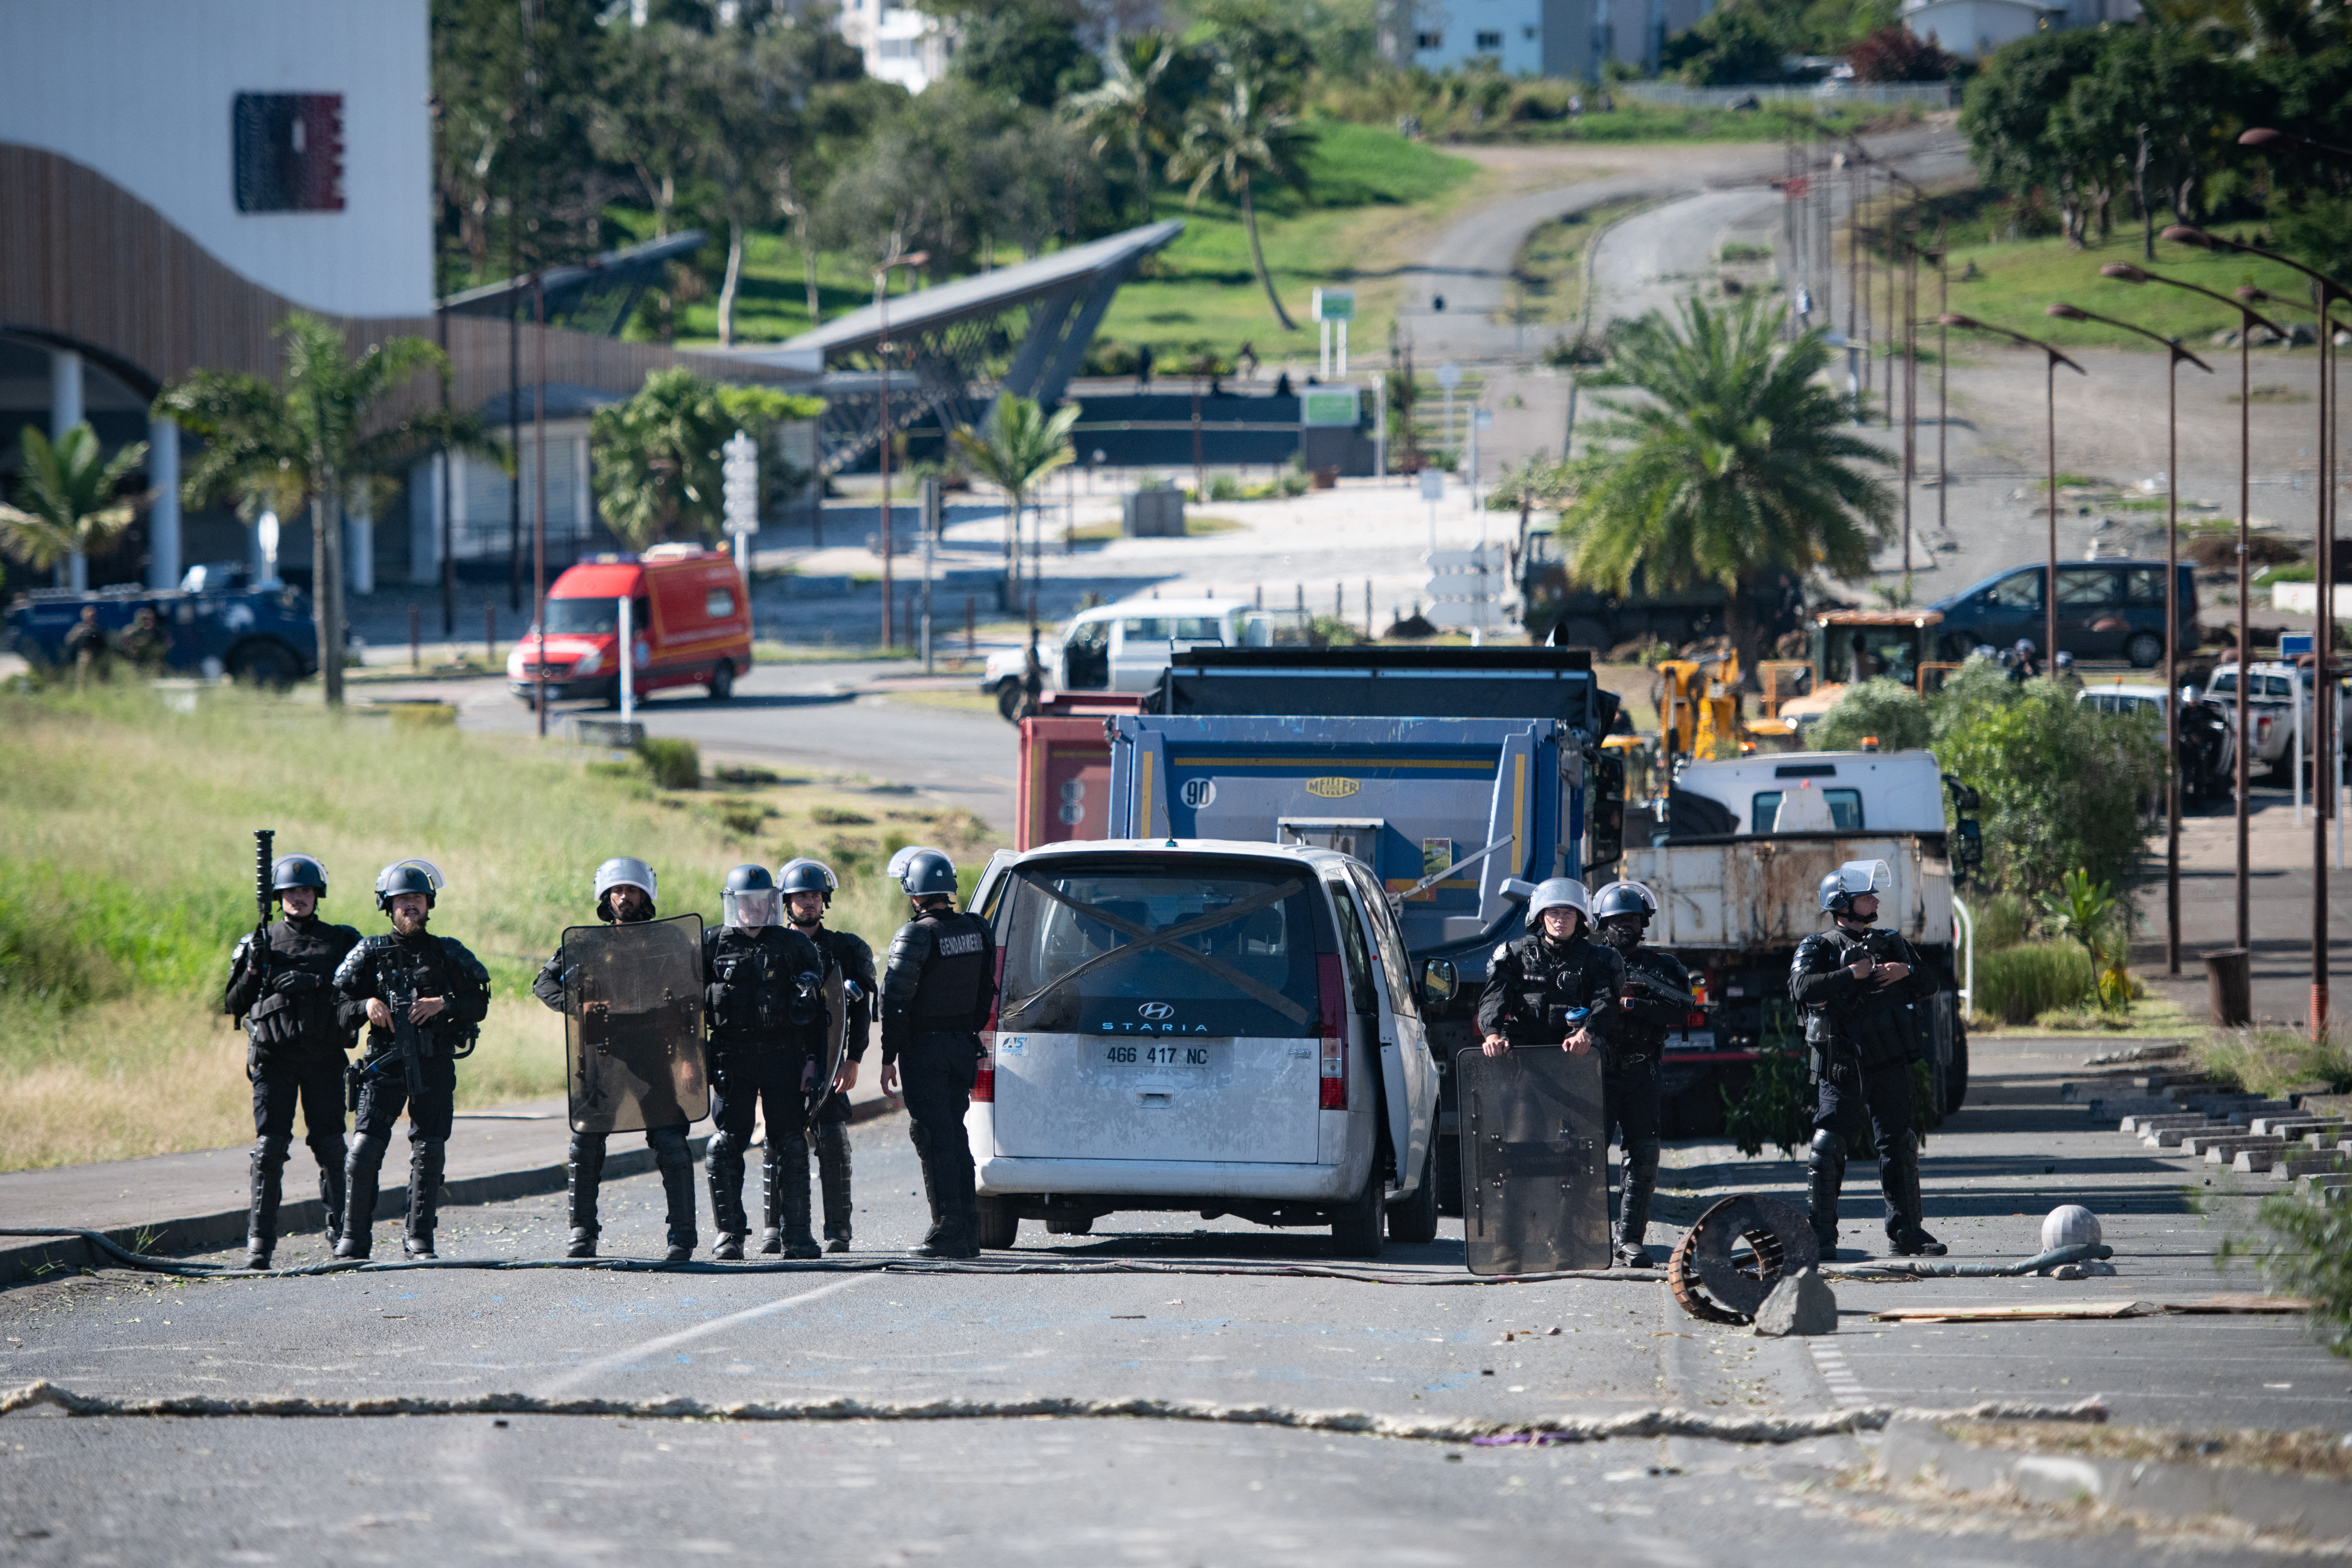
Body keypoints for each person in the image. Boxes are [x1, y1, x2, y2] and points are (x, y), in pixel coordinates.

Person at [531, 857, 701, 1261]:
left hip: (653, 1053)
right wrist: (580, 1006)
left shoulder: (671, 941)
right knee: (585, 1143)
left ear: (646, 894)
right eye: (617, 890)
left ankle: (682, 1237)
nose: (624, 897)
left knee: (671, 1142)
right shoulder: (588, 943)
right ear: (606, 896)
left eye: (631, 890)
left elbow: (690, 1000)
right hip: (602, 1056)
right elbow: (543, 983)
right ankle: (582, 1234)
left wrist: (690, 1058)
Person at [332, 859, 491, 1260]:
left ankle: (419, 1238)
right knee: (365, 1149)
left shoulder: (446, 952)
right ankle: (353, 1238)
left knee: (430, 1149)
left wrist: (444, 1004)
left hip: (433, 1061)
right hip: (383, 1063)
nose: (411, 906)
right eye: (403, 899)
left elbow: (479, 1000)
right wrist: (366, 1004)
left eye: (417, 899)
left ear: (429, 903)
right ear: (389, 905)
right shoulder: (369, 951)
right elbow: (337, 1001)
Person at [1791, 860, 1944, 1260]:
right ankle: (1822, 1235)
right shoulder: (1819, 946)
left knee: (1899, 1141)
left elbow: (1931, 982)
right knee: (1829, 1143)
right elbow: (1802, 987)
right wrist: (1852, 975)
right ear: (1842, 904)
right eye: (1865, 896)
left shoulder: (1891, 941)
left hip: (1890, 1058)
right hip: (1843, 1061)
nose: (1875, 900)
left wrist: (1903, 970)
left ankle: (1907, 1231)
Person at [221, 854, 362, 1269]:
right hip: (274, 1061)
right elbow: (232, 1005)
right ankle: (260, 1244)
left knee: (333, 1148)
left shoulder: (341, 940)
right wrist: (253, 968)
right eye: (290, 892)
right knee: (268, 1151)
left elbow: (359, 993)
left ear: (317, 894)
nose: (298, 898)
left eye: (305, 891)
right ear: (279, 896)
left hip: (324, 1058)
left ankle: (344, 1238)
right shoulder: (259, 941)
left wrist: (318, 982)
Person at [702, 864, 827, 1260]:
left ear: (772, 903)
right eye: (746, 902)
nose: (754, 910)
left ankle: (798, 1235)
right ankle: (729, 1234)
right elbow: (685, 1008)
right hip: (732, 1059)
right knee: (725, 1146)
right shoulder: (710, 946)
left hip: (783, 1057)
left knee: (790, 1143)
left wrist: (814, 1063)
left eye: (761, 902)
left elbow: (818, 1014)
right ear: (732, 904)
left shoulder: (795, 946)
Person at [880, 846, 996, 1259]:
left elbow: (895, 1000)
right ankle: (967, 1231)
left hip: (925, 1049)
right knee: (955, 1135)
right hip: (962, 1047)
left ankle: (948, 1230)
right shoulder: (978, 929)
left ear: (915, 893)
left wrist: (888, 1054)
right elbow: (987, 992)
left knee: (933, 1136)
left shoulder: (917, 934)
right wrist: (966, 1030)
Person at [1590, 880, 1690, 1269]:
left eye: (1633, 919)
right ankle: (1585, 1236)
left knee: (1644, 1154)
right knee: (1585, 1155)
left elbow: (1682, 1008)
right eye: (1618, 919)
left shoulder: (1663, 967)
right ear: (1603, 922)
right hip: (1595, 1070)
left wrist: (1637, 1004)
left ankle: (1630, 1239)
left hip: (1641, 1069)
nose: (1626, 926)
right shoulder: (1590, 962)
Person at [781, 857, 876, 1252]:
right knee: (781, 1145)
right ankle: (778, 1229)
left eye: (816, 895)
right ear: (787, 901)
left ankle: (838, 1229)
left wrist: (854, 1058)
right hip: (781, 1061)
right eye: (801, 895)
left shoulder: (844, 948)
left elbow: (858, 1009)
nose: (809, 902)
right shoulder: (770, 944)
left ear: (825, 901)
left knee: (834, 1143)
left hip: (830, 1057)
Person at [1477, 879, 1625, 1064]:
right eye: (1553, 912)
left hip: (1578, 1058)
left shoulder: (1599, 959)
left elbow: (1606, 1003)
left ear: (1579, 918)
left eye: (1569, 913)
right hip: (1524, 1060)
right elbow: (1495, 998)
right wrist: (1492, 1035)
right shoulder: (1516, 954)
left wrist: (1587, 1033)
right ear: (1541, 917)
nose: (1561, 920)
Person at [113, 606, 172, 675]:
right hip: (133, 665)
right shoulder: (130, 633)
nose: (147, 622)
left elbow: (166, 646)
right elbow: (123, 650)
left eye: (150, 619)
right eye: (144, 619)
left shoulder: (158, 634)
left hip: (152, 666)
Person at [63, 606, 109, 687]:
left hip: (98, 656)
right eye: (89, 616)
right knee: (82, 680)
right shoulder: (79, 628)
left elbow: (104, 642)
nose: (92, 618)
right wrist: (81, 634)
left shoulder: (98, 629)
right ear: (84, 617)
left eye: (93, 616)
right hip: (85, 655)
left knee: (102, 679)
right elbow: (69, 640)